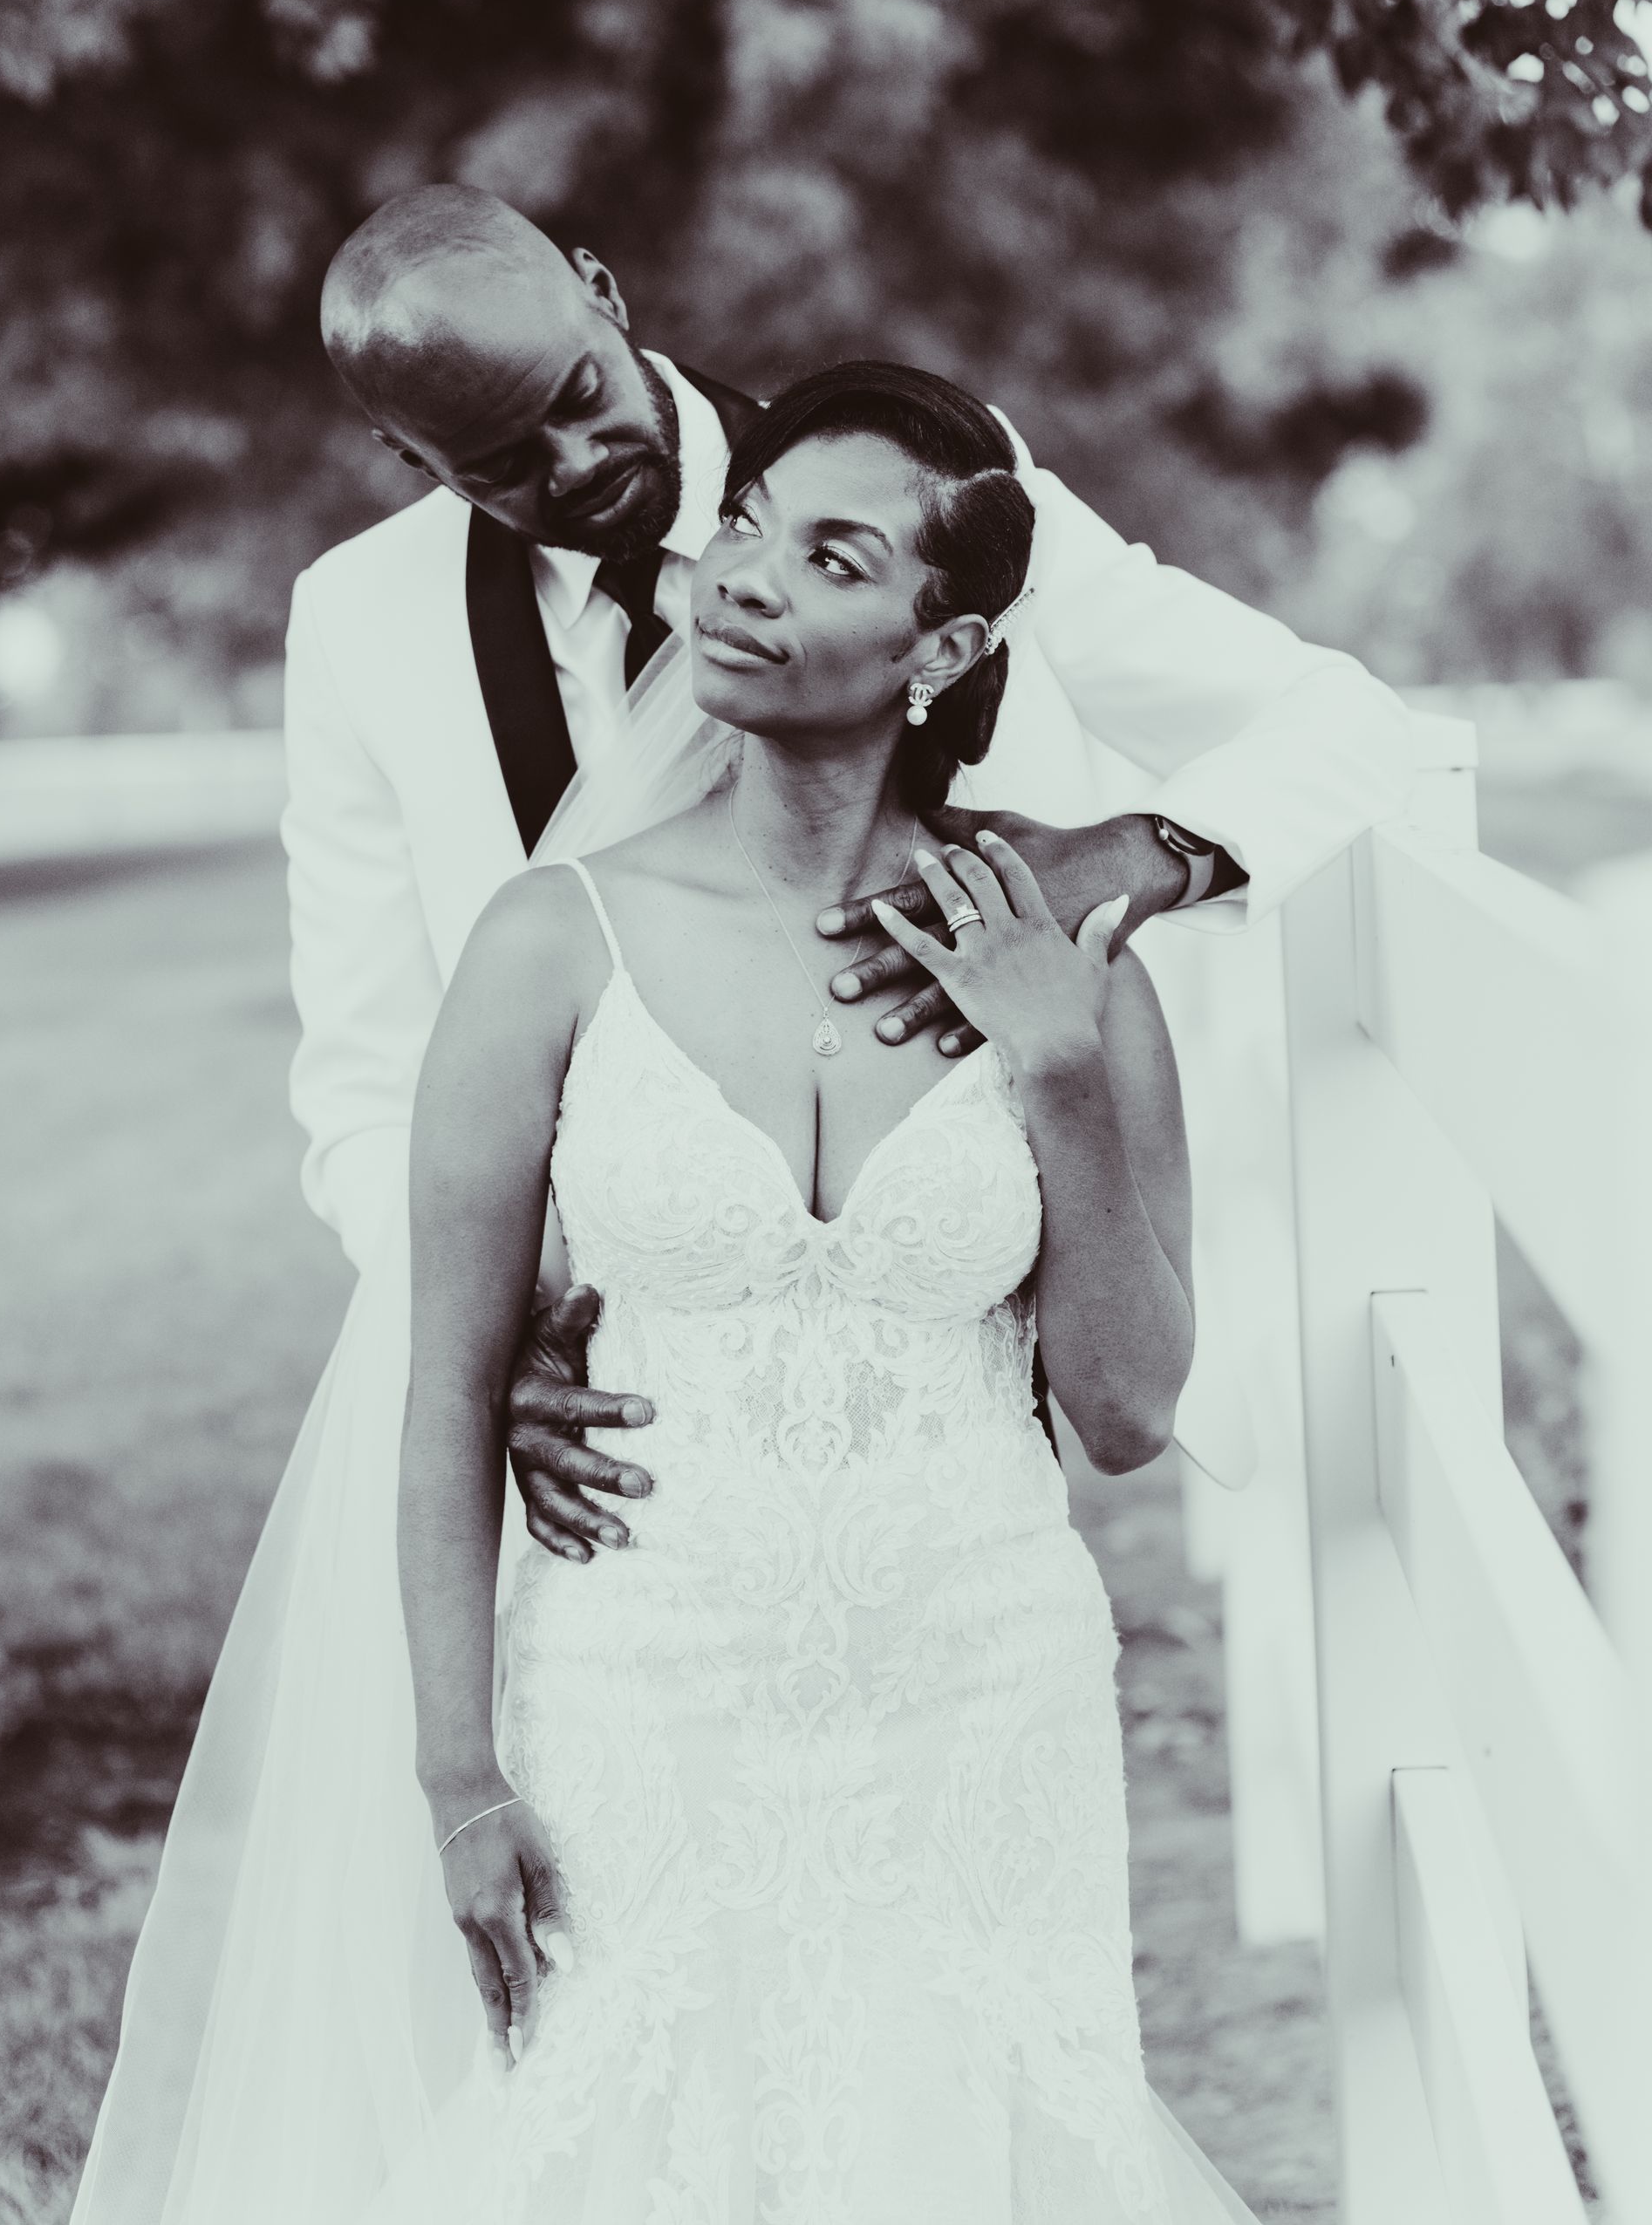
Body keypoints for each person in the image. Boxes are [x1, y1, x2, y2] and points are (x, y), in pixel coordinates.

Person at [385, 360, 1252, 2219]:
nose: (746, 579)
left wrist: (1062, 1070)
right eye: (750, 527)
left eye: (833, 555)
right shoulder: (553, 946)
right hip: (641, 1711)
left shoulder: (1066, 963)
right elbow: (449, 1393)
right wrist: (459, 1778)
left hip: (983, 1710)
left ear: (937, 654)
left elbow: (1124, 1416)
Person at [287, 182, 1412, 1553]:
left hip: (950, 1389)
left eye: (580, 393)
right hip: (602, 1438)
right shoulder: (357, 621)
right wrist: (486, 1339)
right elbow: (361, 1069)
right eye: (498, 461)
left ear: (602, 285)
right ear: (409, 458)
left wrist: (1125, 857)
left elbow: (1347, 723)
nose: (574, 464)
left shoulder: (928, 472)